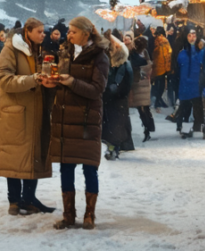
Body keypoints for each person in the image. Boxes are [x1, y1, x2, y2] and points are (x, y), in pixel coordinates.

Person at [48, 16, 110, 230]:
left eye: (73, 31)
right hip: (64, 118)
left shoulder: (99, 56)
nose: (69, 35)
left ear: (85, 33)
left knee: (89, 168)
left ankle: (89, 215)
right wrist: (52, 82)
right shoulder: (64, 51)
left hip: (86, 120)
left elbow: (97, 90)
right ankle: (68, 215)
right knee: (66, 168)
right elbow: (61, 78)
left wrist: (72, 82)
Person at [0, 18, 55, 216]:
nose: (43, 35)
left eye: (44, 31)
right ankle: (14, 200)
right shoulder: (10, 49)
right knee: (15, 156)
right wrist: (33, 79)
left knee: (34, 153)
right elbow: (4, 79)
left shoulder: (39, 51)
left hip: (36, 111)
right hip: (16, 112)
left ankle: (29, 198)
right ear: (27, 31)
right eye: (39, 31)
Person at [174, 29, 205, 139]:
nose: (192, 37)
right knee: (185, 107)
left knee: (198, 107)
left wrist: (204, 79)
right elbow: (177, 68)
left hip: (197, 84)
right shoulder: (181, 51)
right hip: (184, 84)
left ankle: (199, 127)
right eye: (189, 35)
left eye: (194, 35)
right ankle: (185, 127)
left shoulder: (202, 51)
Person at [101, 31, 133, 160]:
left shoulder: (124, 63)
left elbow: (127, 82)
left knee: (116, 125)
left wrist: (118, 92)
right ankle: (111, 147)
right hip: (107, 98)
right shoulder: (104, 59)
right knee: (109, 125)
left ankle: (114, 147)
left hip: (118, 99)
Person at [127, 35, 155, 142]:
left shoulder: (132, 55)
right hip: (144, 84)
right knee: (145, 108)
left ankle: (147, 128)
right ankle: (148, 127)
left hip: (136, 84)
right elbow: (149, 66)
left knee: (141, 109)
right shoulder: (145, 54)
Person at [152, 27, 172, 111]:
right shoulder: (164, 41)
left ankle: (157, 101)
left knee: (157, 85)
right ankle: (158, 101)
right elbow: (168, 54)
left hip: (156, 67)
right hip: (162, 67)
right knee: (162, 85)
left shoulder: (154, 41)